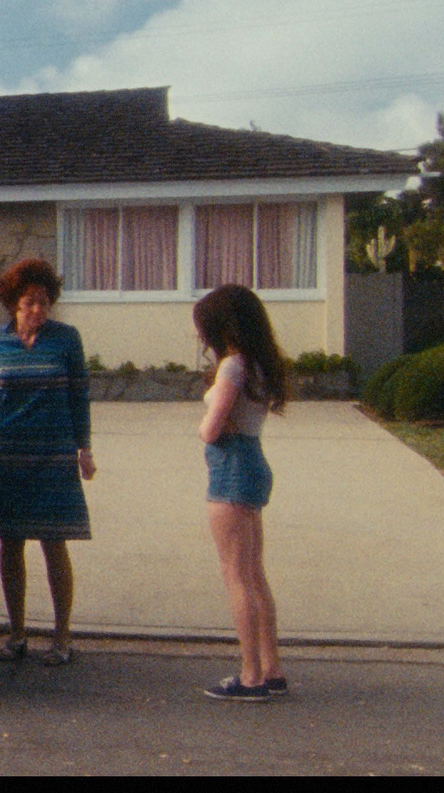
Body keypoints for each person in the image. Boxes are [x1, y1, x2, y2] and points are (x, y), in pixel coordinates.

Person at [0, 258, 96, 667]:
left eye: (43, 302)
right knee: (10, 543)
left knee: (55, 543)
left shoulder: (67, 339)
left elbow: (79, 397)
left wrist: (84, 449)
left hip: (54, 456)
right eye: (28, 303)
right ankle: (16, 634)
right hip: (8, 455)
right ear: (13, 305)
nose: (37, 310)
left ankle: (62, 639)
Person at [194, 284, 289, 702]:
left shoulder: (232, 367)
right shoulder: (261, 365)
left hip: (230, 466)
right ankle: (272, 669)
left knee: (235, 576)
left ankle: (249, 676)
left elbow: (211, 429)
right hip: (253, 461)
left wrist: (202, 423)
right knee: (254, 574)